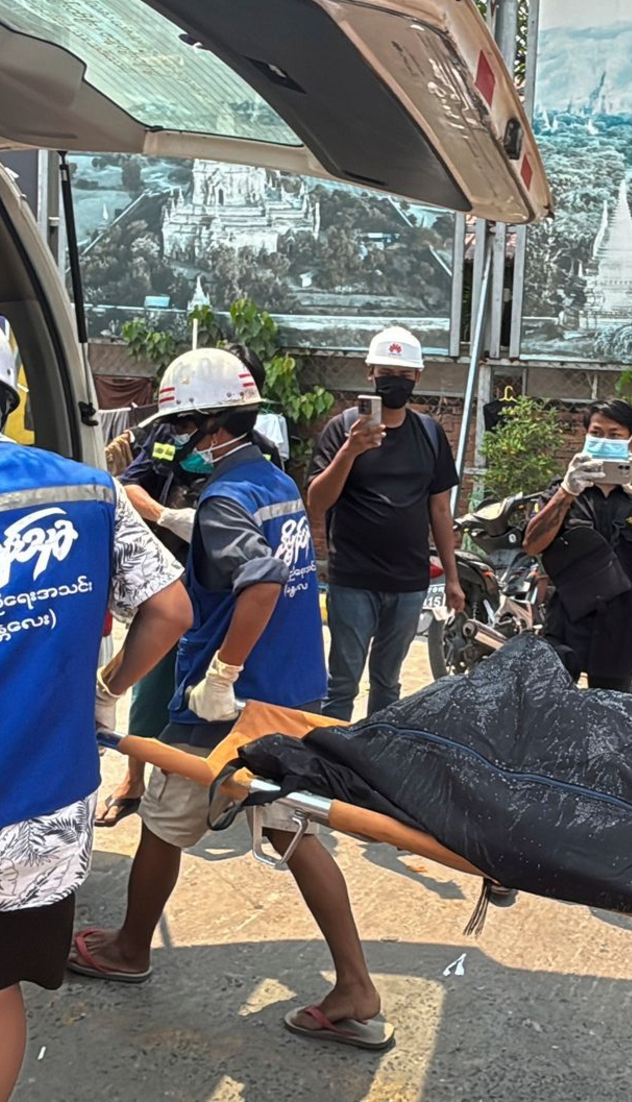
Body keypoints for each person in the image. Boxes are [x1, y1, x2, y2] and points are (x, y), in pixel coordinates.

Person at [69, 348, 394, 1050]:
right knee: (291, 825)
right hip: (292, 694)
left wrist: (220, 674)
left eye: (179, 427)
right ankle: (355, 982)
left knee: (163, 816)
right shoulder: (269, 479)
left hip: (231, 705)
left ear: (209, 428)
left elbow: (262, 577)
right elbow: (243, 541)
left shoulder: (221, 498)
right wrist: (160, 509)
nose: (170, 443)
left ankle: (129, 946)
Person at [0, 300, 191, 1102]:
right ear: (2, 395)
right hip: (32, 818)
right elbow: (171, 610)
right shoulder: (91, 491)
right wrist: (106, 690)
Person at [95, 343, 280, 827]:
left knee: (211, 689)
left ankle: (214, 784)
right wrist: (162, 514)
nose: (184, 433)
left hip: (220, 591)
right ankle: (135, 779)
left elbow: (263, 558)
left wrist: (209, 523)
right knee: (150, 687)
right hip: (163, 580)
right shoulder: (165, 431)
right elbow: (128, 486)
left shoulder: (261, 457)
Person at [306, 326, 464, 721]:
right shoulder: (342, 429)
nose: (394, 380)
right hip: (353, 579)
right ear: (369, 373)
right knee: (341, 682)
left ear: (417, 378)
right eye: (385, 371)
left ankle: (374, 762)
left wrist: (453, 576)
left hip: (409, 582)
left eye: (404, 373)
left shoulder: (428, 433)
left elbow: (440, 510)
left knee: (388, 682)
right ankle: (329, 764)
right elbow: (318, 501)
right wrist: (350, 451)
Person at [523, 398, 632, 693]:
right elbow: (532, 544)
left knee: (612, 723)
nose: (604, 440)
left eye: (614, 434)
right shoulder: (563, 491)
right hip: (566, 627)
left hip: (621, 632)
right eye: (597, 432)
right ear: (586, 436)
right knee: (552, 717)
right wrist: (566, 492)